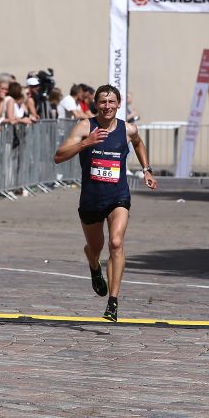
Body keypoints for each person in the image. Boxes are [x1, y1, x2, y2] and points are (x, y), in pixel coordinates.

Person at [54, 85, 157, 322]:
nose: (107, 106)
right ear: (96, 104)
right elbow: (58, 156)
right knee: (95, 248)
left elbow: (139, 143)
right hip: (91, 199)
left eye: (112, 102)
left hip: (118, 196)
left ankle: (113, 302)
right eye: (103, 102)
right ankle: (93, 266)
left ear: (119, 104)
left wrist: (147, 169)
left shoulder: (127, 129)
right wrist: (85, 143)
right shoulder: (84, 126)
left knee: (116, 242)